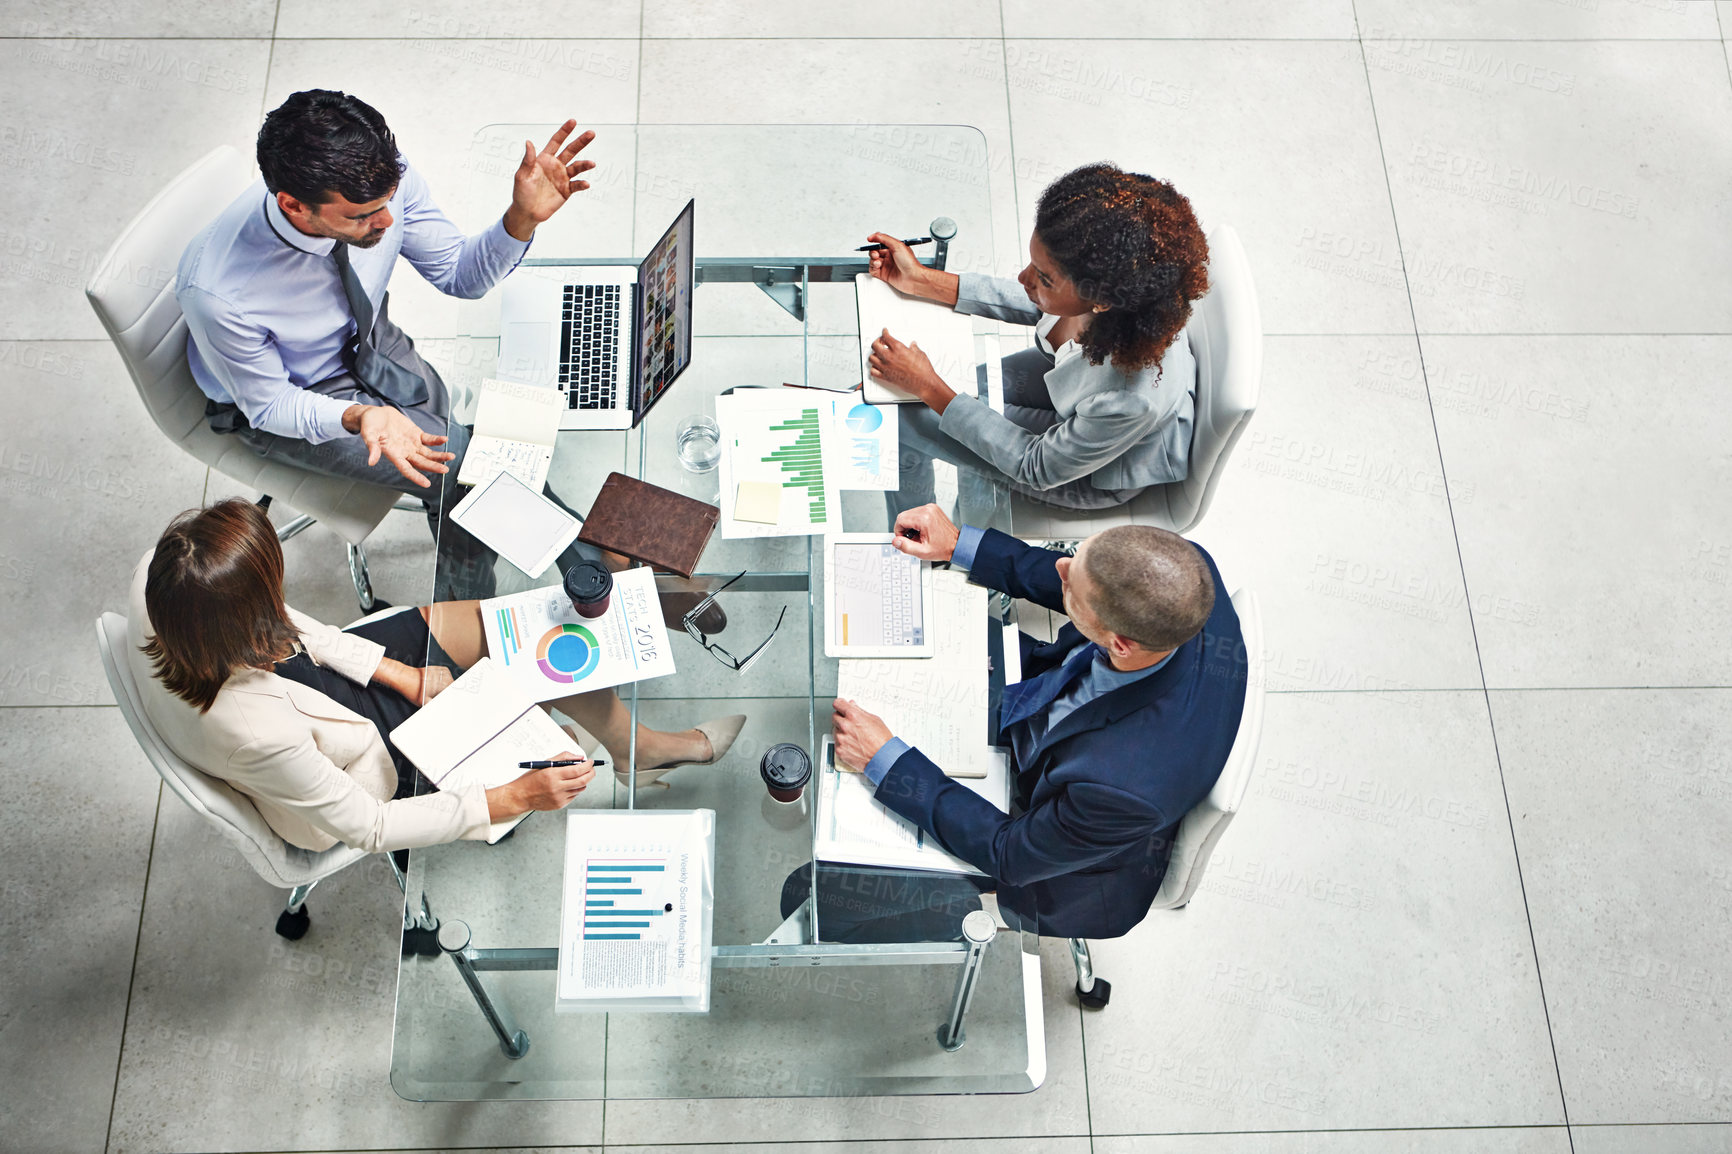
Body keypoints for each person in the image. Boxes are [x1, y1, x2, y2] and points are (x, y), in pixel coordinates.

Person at [126, 500, 745, 854]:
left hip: (304, 682)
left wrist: (399, 673)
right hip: (352, 763)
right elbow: (371, 828)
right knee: (541, 671)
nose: (280, 596)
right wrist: (512, 799)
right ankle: (643, 748)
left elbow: (283, 626)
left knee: (525, 634)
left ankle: (629, 744)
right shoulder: (257, 735)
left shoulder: (170, 581)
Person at [176, 90, 597, 602]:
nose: (387, 222)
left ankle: (580, 562)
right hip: (294, 398)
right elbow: (267, 405)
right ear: (294, 205)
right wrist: (356, 416)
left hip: (371, 341)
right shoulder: (219, 291)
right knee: (462, 465)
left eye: (387, 202)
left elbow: (460, 275)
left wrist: (520, 218)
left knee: (475, 459)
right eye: (361, 216)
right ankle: (502, 605)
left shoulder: (382, 184)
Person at [782, 503, 1246, 942]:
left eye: (1070, 584)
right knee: (898, 631)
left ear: (1120, 644)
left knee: (816, 893)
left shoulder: (1123, 788)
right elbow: (1086, 580)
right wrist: (960, 544)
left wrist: (887, 761)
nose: (1059, 568)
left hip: (1049, 845)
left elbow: (1011, 854)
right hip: (1045, 705)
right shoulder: (1182, 573)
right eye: (1076, 557)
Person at [864, 162, 1210, 513]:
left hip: (1086, 471)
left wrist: (928, 386)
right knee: (914, 394)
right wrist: (921, 279)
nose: (1022, 277)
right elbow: (1037, 299)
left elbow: (1036, 466)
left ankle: (918, 536)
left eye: (1044, 278)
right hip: (1077, 393)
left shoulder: (1130, 398)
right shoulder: (1112, 295)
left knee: (896, 414)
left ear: (1102, 301)